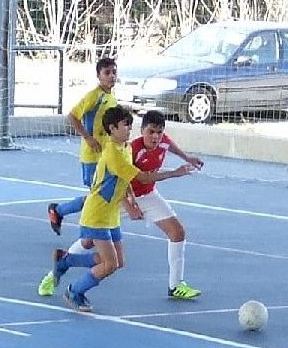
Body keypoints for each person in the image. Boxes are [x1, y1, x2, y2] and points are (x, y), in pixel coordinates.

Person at [38, 105, 192, 311]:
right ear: (112, 128)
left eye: (130, 125)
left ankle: (65, 261)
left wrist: (132, 201)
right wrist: (175, 173)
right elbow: (143, 176)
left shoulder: (125, 148)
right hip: (98, 213)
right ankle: (74, 290)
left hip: (111, 214)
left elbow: (126, 179)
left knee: (117, 262)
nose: (129, 129)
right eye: (125, 125)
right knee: (107, 263)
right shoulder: (113, 153)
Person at [121, 110, 205, 300]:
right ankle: (60, 266)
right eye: (151, 131)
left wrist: (188, 158)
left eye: (159, 132)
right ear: (142, 130)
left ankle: (175, 286)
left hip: (148, 195)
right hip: (124, 196)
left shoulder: (163, 140)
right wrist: (129, 205)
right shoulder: (132, 149)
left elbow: (170, 145)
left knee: (177, 232)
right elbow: (128, 179)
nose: (156, 136)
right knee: (90, 240)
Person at [46, 57, 120, 241]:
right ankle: (80, 228)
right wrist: (88, 138)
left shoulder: (111, 97)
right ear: (98, 76)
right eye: (107, 73)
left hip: (106, 155)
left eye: (114, 72)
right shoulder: (94, 96)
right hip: (92, 156)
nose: (111, 76)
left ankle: (67, 216)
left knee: (104, 195)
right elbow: (72, 116)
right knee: (97, 196)